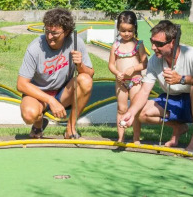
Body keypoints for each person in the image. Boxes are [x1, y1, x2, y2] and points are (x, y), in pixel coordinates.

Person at [120, 20, 193, 153]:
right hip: (175, 99)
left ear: (172, 42)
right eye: (152, 42)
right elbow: (144, 91)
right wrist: (131, 113)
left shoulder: (191, 55)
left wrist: (182, 79)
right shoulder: (155, 60)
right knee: (140, 112)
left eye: (159, 44)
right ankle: (178, 127)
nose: (153, 47)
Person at [18, 8, 94, 139]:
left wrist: (80, 65)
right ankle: (38, 124)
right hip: (38, 95)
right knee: (29, 115)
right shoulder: (35, 47)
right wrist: (50, 100)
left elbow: (90, 73)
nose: (49, 37)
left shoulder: (76, 42)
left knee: (86, 80)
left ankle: (70, 128)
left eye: (54, 33)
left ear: (67, 31)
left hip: (63, 93)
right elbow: (21, 84)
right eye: (47, 31)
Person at [108, 11, 147, 144]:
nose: (126, 34)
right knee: (121, 109)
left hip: (135, 81)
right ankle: (121, 137)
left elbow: (144, 63)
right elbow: (111, 64)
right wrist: (116, 73)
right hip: (121, 82)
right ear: (118, 28)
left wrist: (134, 68)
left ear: (135, 28)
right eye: (123, 30)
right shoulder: (116, 45)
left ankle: (136, 137)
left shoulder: (138, 44)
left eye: (130, 31)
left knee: (135, 109)